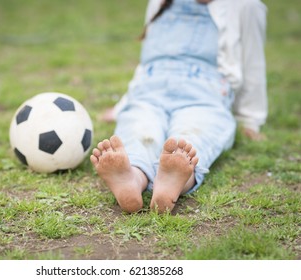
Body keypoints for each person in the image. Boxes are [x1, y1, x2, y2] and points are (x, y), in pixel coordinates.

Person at [91, 0, 267, 214]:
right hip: (151, 86)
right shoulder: (160, 2)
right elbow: (145, 63)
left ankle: (175, 179)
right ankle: (131, 177)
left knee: (192, 134)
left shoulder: (244, 5)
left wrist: (250, 119)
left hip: (204, 93)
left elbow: (253, 64)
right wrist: (123, 105)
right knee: (139, 126)